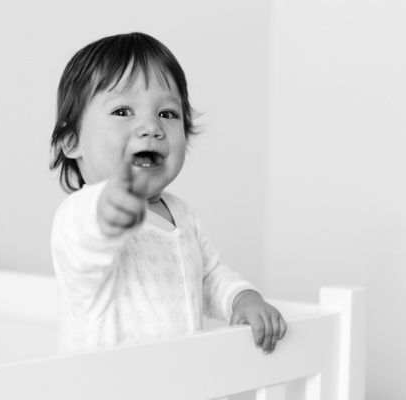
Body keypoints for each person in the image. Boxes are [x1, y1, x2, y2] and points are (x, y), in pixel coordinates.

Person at [49, 32, 286, 354]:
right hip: (111, 386)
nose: (151, 127)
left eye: (167, 114)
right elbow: (85, 245)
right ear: (71, 141)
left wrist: (242, 297)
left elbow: (210, 276)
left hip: (179, 379)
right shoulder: (80, 214)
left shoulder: (183, 214)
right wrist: (112, 202)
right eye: (122, 111)